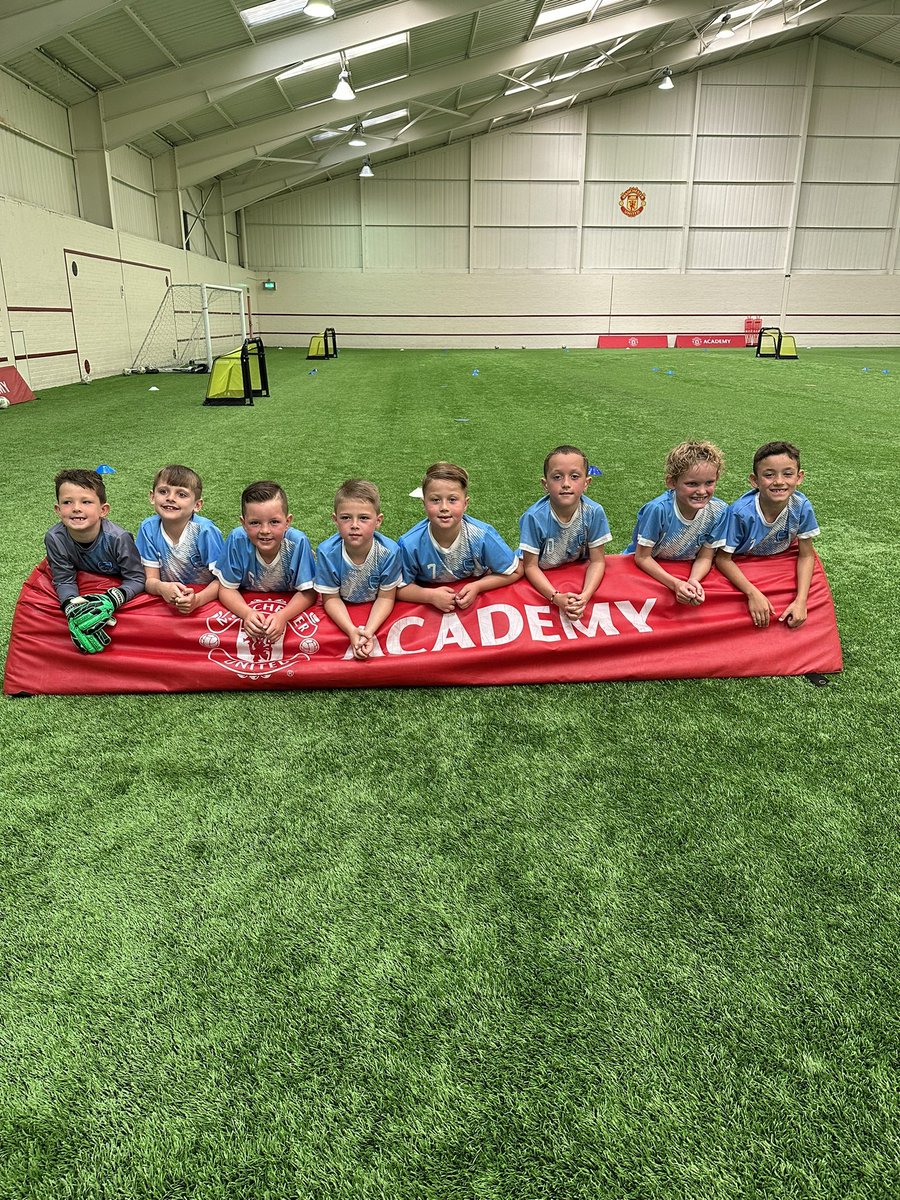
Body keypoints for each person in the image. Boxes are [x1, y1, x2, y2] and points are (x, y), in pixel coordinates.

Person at [717, 441, 820, 629]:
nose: (779, 481)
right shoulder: (741, 513)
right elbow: (722, 559)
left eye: (787, 474)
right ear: (754, 480)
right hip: (743, 560)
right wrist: (752, 593)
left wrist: (801, 600)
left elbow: (806, 555)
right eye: (769, 475)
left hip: (777, 560)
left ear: (799, 477)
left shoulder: (801, 506)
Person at [397, 461, 521, 612]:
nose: (444, 507)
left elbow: (515, 571)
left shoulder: (482, 535)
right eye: (435, 500)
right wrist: (430, 596)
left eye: (452, 500)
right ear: (424, 503)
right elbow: (397, 587)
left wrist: (478, 586)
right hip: (431, 610)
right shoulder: (409, 544)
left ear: (465, 503)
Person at [45, 468, 145, 653]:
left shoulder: (119, 538)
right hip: (87, 589)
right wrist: (71, 607)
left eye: (86, 502)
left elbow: (137, 578)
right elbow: (63, 579)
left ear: (103, 510)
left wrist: (112, 599)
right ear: (58, 509)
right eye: (67, 502)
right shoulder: (54, 538)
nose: (76, 508)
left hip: (116, 589)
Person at [623, 440, 727, 605]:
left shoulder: (719, 511)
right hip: (647, 569)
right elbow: (642, 557)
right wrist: (675, 584)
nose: (702, 491)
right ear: (672, 482)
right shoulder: (658, 510)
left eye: (709, 482)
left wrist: (693, 580)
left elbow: (705, 557)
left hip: (684, 570)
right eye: (692, 484)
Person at [213, 481, 315, 642]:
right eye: (255, 523)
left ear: (287, 522)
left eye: (274, 522)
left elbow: (309, 592)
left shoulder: (297, 543)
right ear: (243, 523)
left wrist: (283, 616)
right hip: (249, 604)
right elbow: (226, 588)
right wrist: (247, 613)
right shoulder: (237, 540)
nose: (265, 530)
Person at [518, 444, 611, 620]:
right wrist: (555, 597)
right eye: (557, 477)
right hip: (543, 572)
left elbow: (598, 561)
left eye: (574, 476)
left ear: (586, 483)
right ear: (545, 484)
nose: (566, 484)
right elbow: (530, 566)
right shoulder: (534, 517)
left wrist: (585, 596)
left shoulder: (594, 512)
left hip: (573, 569)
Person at [315, 479, 403, 660]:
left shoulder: (390, 552)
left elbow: (386, 597)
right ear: (335, 519)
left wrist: (368, 632)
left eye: (363, 518)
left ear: (378, 521)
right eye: (346, 518)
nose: (354, 525)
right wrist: (351, 630)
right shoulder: (326, 552)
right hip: (342, 609)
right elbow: (331, 598)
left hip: (374, 609)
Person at [136, 465, 224, 615]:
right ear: (152, 496)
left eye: (181, 494)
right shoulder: (148, 528)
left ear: (197, 505)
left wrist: (197, 600)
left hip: (206, 601)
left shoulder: (205, 531)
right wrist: (161, 588)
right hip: (169, 601)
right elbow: (150, 580)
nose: (170, 498)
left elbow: (224, 581)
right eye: (163, 491)